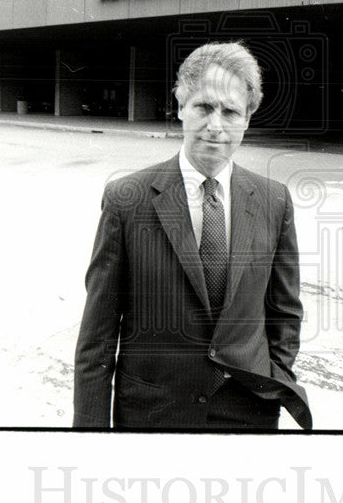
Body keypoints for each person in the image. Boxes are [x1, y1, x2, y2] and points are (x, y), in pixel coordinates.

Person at [73, 41, 311, 431]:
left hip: (248, 413)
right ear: (181, 106)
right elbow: (97, 337)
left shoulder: (273, 201)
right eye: (204, 107)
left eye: (231, 111)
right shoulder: (127, 199)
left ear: (247, 119)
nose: (216, 125)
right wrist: (89, 434)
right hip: (153, 413)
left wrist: (275, 377)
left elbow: (285, 311)